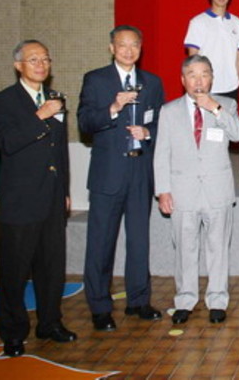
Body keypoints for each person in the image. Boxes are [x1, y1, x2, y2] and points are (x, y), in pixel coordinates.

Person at [0, 40, 76, 357]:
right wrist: (40, 116)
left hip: (52, 198)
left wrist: (65, 190)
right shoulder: (2, 102)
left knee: (51, 267)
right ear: (18, 66)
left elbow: (60, 152)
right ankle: (13, 333)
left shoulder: (55, 99)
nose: (41, 65)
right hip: (22, 200)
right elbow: (7, 142)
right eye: (33, 59)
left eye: (45, 59)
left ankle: (50, 323)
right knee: (15, 270)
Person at [78, 25, 165, 330]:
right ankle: (100, 306)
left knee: (139, 241)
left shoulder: (152, 83)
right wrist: (113, 108)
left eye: (134, 46)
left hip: (141, 172)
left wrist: (148, 133)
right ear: (112, 48)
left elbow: (160, 127)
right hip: (108, 174)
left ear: (141, 49)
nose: (129, 51)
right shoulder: (96, 80)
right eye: (122, 45)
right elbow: (85, 122)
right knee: (101, 242)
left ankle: (139, 301)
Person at [154, 55, 239, 325]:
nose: (199, 80)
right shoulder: (169, 111)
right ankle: (185, 299)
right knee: (185, 248)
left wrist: (215, 108)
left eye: (204, 74)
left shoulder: (225, 104)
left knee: (218, 247)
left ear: (212, 78)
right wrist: (163, 190)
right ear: (183, 80)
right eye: (192, 75)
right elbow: (162, 153)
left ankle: (217, 300)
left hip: (218, 190)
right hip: (182, 191)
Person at [183, 0, 239, 101]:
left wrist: (235, 79)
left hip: (231, 87)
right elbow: (193, 57)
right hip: (207, 86)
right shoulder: (198, 22)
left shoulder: (237, 23)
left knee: (228, 121)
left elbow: (238, 57)